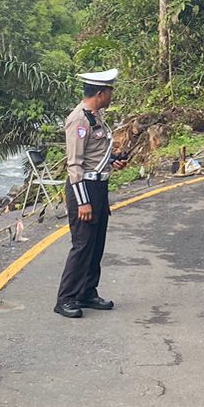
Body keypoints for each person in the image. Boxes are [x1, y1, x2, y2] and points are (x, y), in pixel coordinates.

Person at [54, 68, 128, 318]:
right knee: (82, 245)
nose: (112, 95)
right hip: (83, 189)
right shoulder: (79, 119)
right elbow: (75, 164)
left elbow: (94, 157)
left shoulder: (96, 116)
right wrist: (83, 202)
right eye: (110, 91)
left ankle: (87, 291)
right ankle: (65, 298)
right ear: (100, 92)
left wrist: (113, 161)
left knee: (96, 245)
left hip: (98, 187)